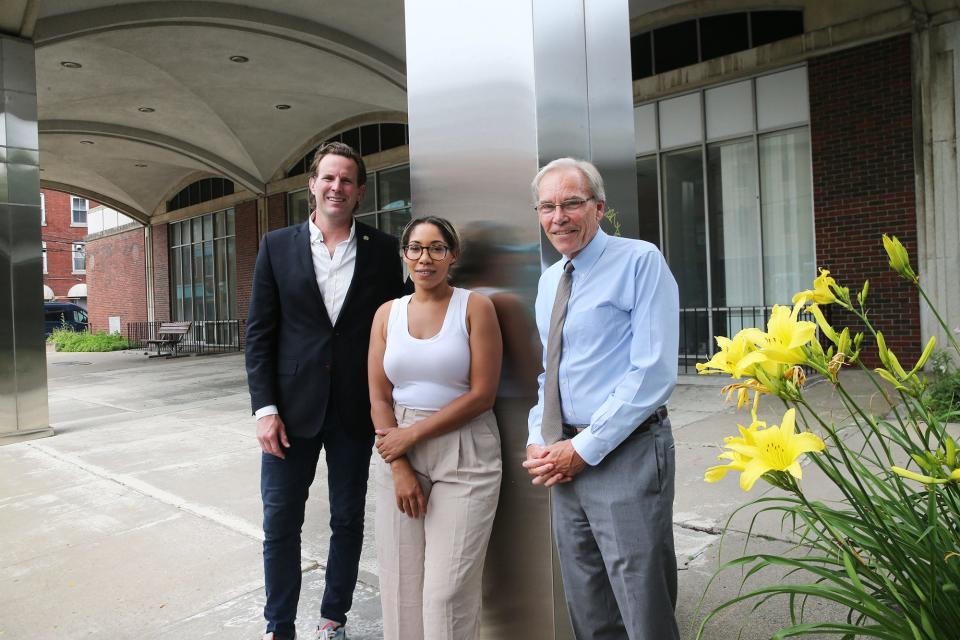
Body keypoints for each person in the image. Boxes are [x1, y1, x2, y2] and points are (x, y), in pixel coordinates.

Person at [245, 142, 404, 640]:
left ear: (359, 191)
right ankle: (280, 626)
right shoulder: (275, 246)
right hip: (289, 413)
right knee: (280, 525)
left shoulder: (382, 249)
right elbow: (259, 334)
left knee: (347, 520)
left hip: (356, 411)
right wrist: (265, 409)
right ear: (312, 185)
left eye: (347, 180)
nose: (337, 187)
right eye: (328, 178)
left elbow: (394, 327)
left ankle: (334, 617)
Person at [522, 158, 681, 639]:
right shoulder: (551, 279)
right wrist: (540, 438)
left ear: (599, 207)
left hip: (626, 453)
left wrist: (583, 449)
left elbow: (652, 372)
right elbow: (552, 372)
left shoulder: (640, 261)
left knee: (642, 605)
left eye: (572, 203)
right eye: (547, 206)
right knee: (588, 606)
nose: (559, 216)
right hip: (564, 457)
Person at [367, 216, 503, 640]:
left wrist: (410, 437)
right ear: (404, 254)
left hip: (466, 449)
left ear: (452, 255)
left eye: (437, 248)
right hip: (398, 447)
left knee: (446, 594)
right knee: (401, 587)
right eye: (416, 248)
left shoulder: (475, 307)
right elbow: (378, 396)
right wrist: (400, 463)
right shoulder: (387, 314)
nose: (425, 258)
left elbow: (483, 394)